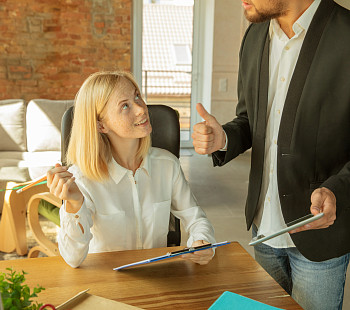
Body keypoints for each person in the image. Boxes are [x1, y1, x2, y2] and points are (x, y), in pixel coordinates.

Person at [192, 0, 350, 309]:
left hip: (320, 238)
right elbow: (251, 121)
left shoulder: (346, 35)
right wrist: (222, 137)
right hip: (263, 231)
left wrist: (337, 192)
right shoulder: (254, 36)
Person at [47, 71, 216, 268]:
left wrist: (202, 242)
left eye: (137, 96)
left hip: (157, 277)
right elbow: (72, 258)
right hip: (106, 282)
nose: (141, 109)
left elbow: (196, 218)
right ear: (101, 125)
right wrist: (75, 203)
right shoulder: (82, 179)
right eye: (125, 105)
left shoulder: (167, 164)